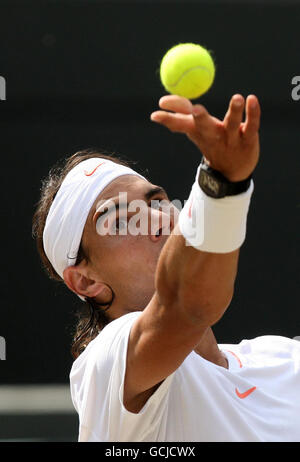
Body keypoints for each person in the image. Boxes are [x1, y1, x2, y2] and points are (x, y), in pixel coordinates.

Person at [32, 94, 300, 442]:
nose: (154, 219)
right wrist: (222, 182)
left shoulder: (283, 357)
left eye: (156, 201)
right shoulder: (104, 366)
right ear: (85, 280)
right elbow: (188, 306)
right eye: (118, 220)